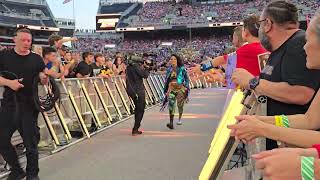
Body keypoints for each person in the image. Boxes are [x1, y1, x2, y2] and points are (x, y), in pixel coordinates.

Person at [231, 1, 320, 150]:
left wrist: (253, 82)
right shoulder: (280, 49)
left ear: (268, 23)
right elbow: (309, 120)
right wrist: (260, 122)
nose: (305, 46)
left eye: (308, 41)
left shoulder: (296, 44)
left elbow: (300, 95)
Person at [0, 28, 49, 180]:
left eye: (29, 40)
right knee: (2, 140)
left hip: (29, 106)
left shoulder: (36, 58)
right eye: (23, 40)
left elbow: (42, 73)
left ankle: (32, 174)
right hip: (9, 105)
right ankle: (16, 170)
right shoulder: (3, 56)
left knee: (31, 144)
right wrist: (9, 83)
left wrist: (43, 77)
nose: (27, 43)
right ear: (14, 39)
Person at [163, 54, 190, 129]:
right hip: (171, 89)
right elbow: (167, 80)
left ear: (177, 60)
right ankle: (171, 123)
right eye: (171, 59)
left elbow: (187, 79)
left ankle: (179, 119)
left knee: (180, 105)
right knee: (171, 104)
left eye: (174, 59)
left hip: (180, 88)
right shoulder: (169, 69)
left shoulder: (182, 69)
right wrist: (165, 90)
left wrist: (186, 87)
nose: (172, 60)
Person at [125, 55, 150, 136]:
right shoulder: (136, 67)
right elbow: (145, 75)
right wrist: (146, 67)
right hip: (138, 91)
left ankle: (136, 127)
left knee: (138, 109)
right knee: (140, 109)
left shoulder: (129, 67)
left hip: (131, 90)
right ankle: (135, 129)